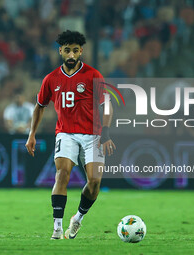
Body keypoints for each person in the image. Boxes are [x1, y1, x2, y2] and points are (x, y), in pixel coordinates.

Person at [25, 30, 115, 240]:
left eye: (75, 50)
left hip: (93, 134)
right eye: (67, 51)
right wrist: (32, 134)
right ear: (60, 51)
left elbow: (107, 105)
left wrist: (107, 132)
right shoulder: (51, 79)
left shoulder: (93, 75)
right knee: (62, 173)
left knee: (94, 181)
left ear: (81, 51)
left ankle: (78, 219)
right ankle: (57, 227)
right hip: (65, 133)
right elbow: (39, 106)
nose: (71, 55)